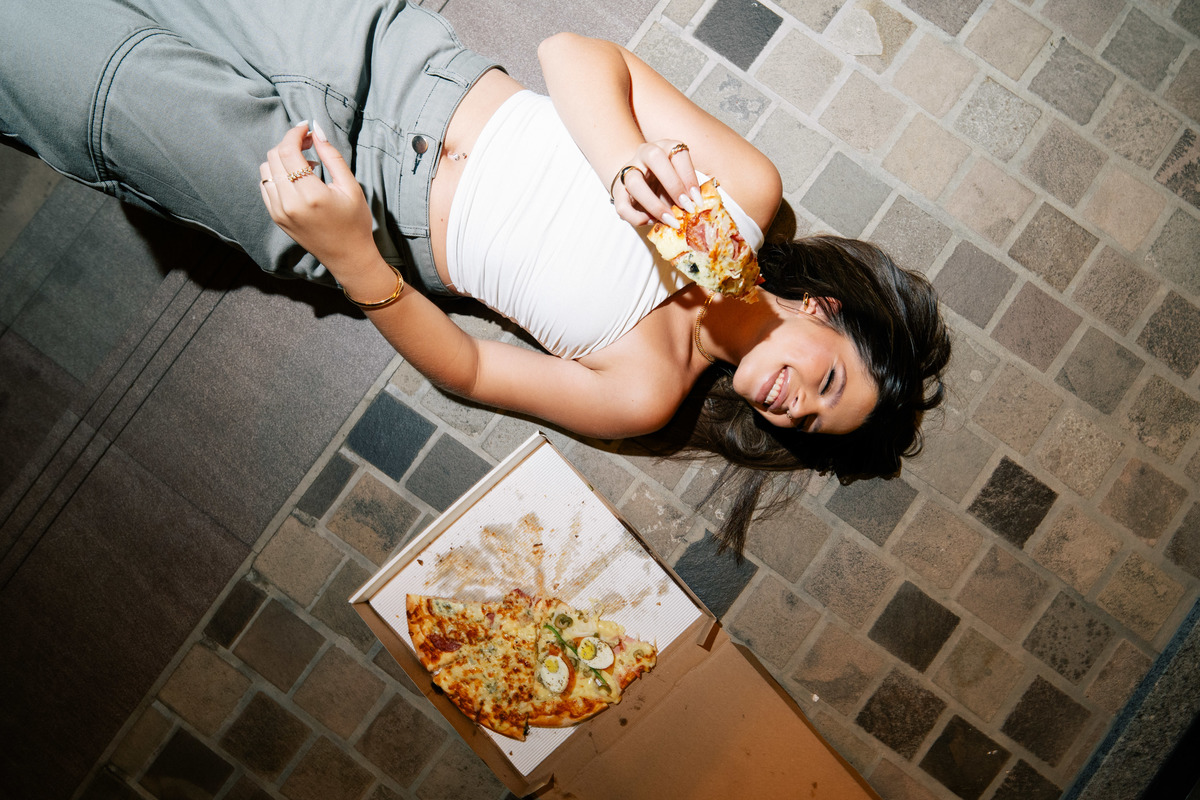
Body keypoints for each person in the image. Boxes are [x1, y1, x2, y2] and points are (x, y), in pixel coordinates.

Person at [1, 0, 950, 550]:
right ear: (825, 310)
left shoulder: (647, 391)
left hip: (354, 203)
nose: (794, 404)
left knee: (46, 59)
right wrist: (622, 162)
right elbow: (574, 56)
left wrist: (350, 254)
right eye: (829, 382)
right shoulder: (741, 199)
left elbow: (469, 369)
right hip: (389, 62)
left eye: (807, 423)